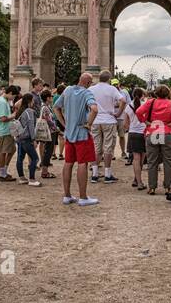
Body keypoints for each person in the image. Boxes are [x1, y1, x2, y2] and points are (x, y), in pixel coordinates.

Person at [55, 72, 100, 206]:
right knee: (82, 163)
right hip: (82, 133)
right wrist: (89, 124)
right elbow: (95, 109)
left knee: (68, 163)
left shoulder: (67, 90)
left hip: (69, 134)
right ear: (88, 83)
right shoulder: (87, 93)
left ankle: (67, 195)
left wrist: (64, 123)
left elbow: (56, 107)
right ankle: (83, 197)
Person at [136, 85, 171, 201]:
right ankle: (168, 187)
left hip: (153, 131)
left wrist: (145, 122)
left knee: (152, 161)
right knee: (168, 161)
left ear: (156, 93)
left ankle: (152, 187)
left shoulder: (151, 102)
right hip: (167, 132)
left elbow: (138, 112)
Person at [87, 71, 125, 184]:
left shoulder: (91, 89)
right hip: (109, 120)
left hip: (95, 120)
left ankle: (94, 174)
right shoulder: (112, 89)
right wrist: (118, 114)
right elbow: (123, 100)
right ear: (109, 79)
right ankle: (107, 174)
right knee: (108, 147)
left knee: (96, 147)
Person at [11, 93, 42, 185]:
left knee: (20, 158)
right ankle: (32, 179)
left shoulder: (20, 111)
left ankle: (22, 178)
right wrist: (34, 139)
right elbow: (31, 127)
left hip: (19, 138)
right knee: (35, 158)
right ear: (30, 101)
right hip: (27, 138)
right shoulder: (29, 112)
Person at [0, 85, 19, 182]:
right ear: (11, 93)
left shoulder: (1, 100)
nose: (13, 98)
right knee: (4, 152)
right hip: (5, 130)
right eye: (14, 96)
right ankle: (2, 173)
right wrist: (13, 116)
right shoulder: (3, 102)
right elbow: (3, 118)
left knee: (11, 150)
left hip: (4, 129)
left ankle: (3, 171)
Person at [124, 87, 147, 188]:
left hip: (133, 133)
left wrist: (131, 127)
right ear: (143, 95)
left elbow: (125, 124)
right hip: (144, 133)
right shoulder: (145, 105)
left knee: (136, 159)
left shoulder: (128, 106)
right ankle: (138, 180)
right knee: (142, 159)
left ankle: (138, 181)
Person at [37, 88, 58, 179]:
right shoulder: (45, 107)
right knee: (48, 151)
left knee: (48, 150)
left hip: (49, 130)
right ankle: (45, 171)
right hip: (50, 131)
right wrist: (56, 128)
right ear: (47, 98)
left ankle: (45, 170)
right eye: (51, 97)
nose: (52, 98)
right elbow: (48, 120)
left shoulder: (45, 106)